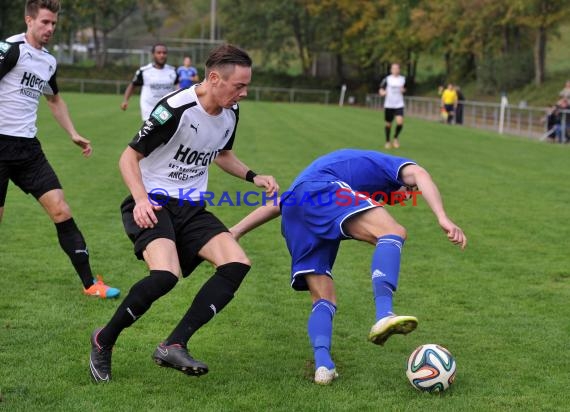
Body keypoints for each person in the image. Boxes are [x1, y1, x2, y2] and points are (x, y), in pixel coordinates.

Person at [89, 44, 280, 383]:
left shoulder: (230, 112)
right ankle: (104, 340)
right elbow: (127, 157)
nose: (244, 93)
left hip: (191, 206)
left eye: (247, 86)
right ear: (214, 78)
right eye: (239, 86)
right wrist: (142, 200)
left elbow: (222, 154)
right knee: (165, 275)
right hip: (153, 201)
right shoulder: (175, 109)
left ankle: (174, 343)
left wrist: (254, 176)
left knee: (236, 263)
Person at [229, 149, 467, 385]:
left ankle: (323, 366)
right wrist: (442, 217)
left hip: (297, 210)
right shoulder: (390, 166)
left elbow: (284, 202)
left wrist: (237, 231)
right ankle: (384, 313)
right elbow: (420, 172)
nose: (407, 196)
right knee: (393, 232)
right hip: (325, 190)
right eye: (410, 190)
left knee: (324, 297)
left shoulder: (355, 180)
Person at [0, 0, 119, 299]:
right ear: (29, 20)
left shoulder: (48, 62)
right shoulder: (10, 49)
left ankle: (91, 283)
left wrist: (73, 133)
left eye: (53, 23)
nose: (50, 28)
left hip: (28, 149)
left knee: (61, 209)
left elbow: (54, 100)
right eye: (44, 22)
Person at [120, 43, 178, 120]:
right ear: (153, 54)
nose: (162, 55)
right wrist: (125, 100)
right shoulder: (144, 71)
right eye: (159, 53)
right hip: (149, 108)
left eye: (164, 53)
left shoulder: (173, 71)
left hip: (167, 107)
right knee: (153, 130)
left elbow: (178, 86)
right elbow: (133, 85)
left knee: (166, 131)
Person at [378, 63, 406, 149]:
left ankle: (395, 138)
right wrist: (382, 93)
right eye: (393, 68)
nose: (395, 70)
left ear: (399, 70)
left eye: (397, 68)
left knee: (400, 123)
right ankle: (387, 141)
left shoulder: (403, 79)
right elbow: (381, 89)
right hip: (389, 104)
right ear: (391, 70)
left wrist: (403, 90)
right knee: (388, 124)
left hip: (399, 104)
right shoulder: (387, 79)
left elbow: (405, 89)